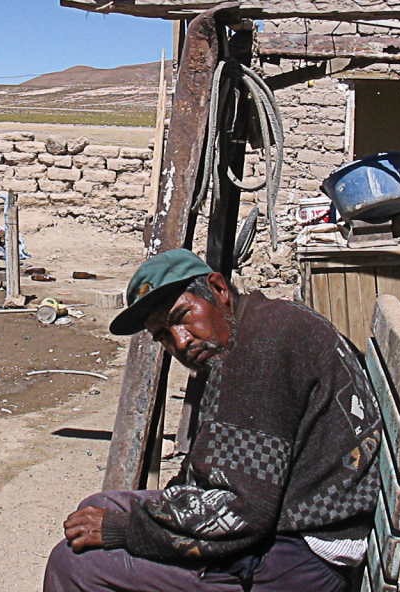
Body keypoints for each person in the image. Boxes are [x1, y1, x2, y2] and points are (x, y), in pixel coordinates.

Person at [43, 248, 382, 592]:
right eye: (163, 334)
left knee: (73, 565)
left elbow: (241, 510)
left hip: (300, 557)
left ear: (218, 289)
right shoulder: (258, 323)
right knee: (97, 508)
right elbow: (235, 476)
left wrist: (126, 530)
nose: (180, 341)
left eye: (181, 316)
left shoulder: (259, 351)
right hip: (288, 519)